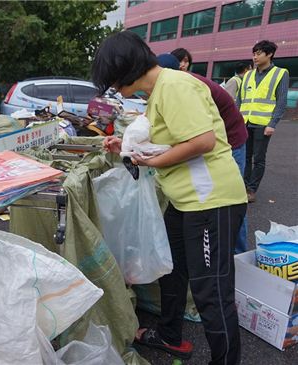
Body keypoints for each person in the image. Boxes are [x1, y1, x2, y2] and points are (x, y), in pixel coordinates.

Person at [93, 32, 247, 364]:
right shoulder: (159, 91)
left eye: (112, 82)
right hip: (185, 201)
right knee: (173, 269)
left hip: (211, 201)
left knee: (211, 293)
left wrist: (151, 162)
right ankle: (169, 334)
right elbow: (172, 142)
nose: (114, 90)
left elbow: (203, 141)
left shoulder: (175, 85)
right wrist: (128, 149)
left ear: (124, 69)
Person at [157, 53, 249, 253]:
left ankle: (239, 254)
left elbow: (202, 140)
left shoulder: (181, 87)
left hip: (231, 139)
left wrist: (154, 160)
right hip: (216, 136)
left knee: (228, 202)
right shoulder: (171, 85)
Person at [237, 40, 289, 203]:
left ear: (270, 54)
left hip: (263, 123)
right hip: (245, 122)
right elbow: (240, 100)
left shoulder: (280, 73)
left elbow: (281, 101)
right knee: (244, 156)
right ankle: (243, 186)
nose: (255, 57)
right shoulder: (248, 75)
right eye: (254, 53)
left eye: (259, 53)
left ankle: (251, 190)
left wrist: (272, 124)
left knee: (258, 158)